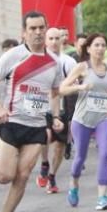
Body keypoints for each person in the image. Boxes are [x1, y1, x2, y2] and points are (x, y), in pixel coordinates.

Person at [0, 11, 63, 212]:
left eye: (41, 28)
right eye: (32, 28)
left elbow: (54, 93)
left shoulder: (54, 62)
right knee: (4, 176)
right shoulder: (14, 56)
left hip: (35, 127)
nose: (37, 32)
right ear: (24, 32)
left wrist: (54, 117)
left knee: (22, 176)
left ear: (46, 29)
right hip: (12, 122)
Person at [59, 33, 107, 210]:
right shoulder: (82, 67)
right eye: (96, 45)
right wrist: (80, 87)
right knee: (80, 157)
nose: (100, 48)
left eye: (103, 45)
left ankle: (102, 197)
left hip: (103, 117)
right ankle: (74, 184)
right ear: (89, 48)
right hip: (82, 118)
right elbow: (62, 89)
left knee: (106, 153)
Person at [39, 27, 78, 193]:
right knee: (45, 137)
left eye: (57, 38)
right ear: (45, 41)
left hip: (62, 108)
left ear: (62, 40)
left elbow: (76, 85)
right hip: (41, 107)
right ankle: (44, 162)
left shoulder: (68, 62)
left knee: (61, 145)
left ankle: (52, 176)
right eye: (51, 38)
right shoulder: (38, 60)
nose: (54, 42)